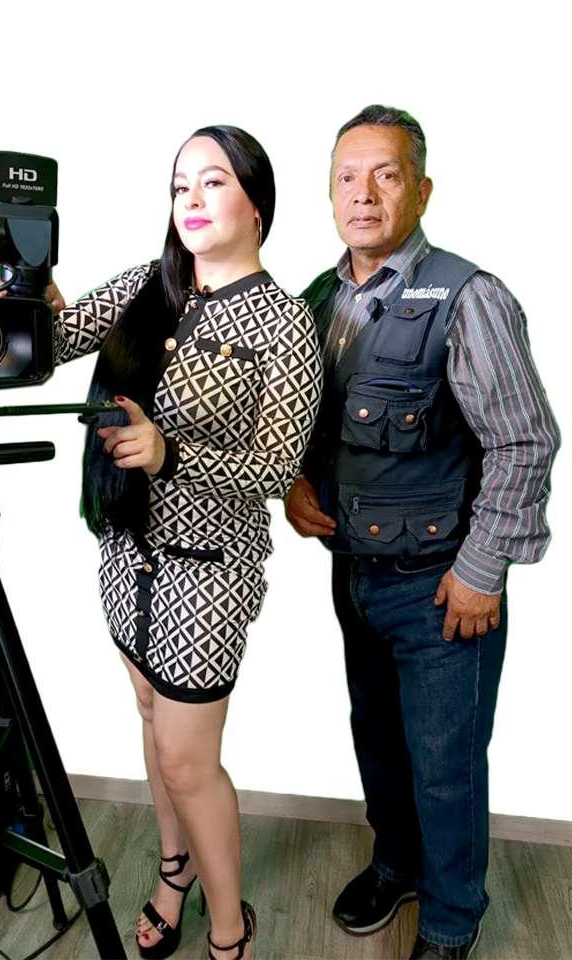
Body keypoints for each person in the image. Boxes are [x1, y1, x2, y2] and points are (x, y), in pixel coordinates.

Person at [285, 105, 560, 960]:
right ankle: (396, 864)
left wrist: (482, 571)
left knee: (445, 767)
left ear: (422, 189)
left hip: (441, 587)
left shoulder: (469, 297)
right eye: (347, 176)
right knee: (379, 742)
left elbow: (524, 441)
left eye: (386, 174)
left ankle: (449, 919)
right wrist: (295, 482)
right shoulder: (320, 297)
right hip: (355, 574)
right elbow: (304, 420)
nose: (363, 194)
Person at [51, 125, 322, 960]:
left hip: (209, 570)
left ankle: (231, 929)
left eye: (213, 182)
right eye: (179, 186)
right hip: (125, 550)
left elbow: (275, 468)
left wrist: (171, 453)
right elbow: (54, 340)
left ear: (257, 201)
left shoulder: (284, 323)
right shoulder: (147, 286)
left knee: (187, 759)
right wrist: (20, 283)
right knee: (149, 716)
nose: (192, 200)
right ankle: (175, 873)